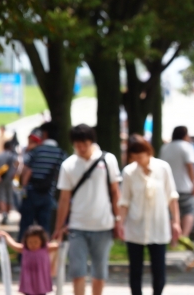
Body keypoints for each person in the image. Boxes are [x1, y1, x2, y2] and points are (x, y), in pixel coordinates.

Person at [53, 124, 122, 295]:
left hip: (103, 224)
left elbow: (115, 192)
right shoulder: (68, 165)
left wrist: (119, 220)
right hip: (77, 225)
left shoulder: (108, 160)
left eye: (84, 144)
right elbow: (64, 199)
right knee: (77, 271)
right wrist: (59, 227)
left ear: (92, 141)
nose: (81, 148)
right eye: (77, 145)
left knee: (100, 271)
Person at [119, 135, 181, 295]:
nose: (138, 160)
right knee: (135, 270)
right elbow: (124, 201)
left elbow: (171, 196)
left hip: (158, 225)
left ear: (148, 152)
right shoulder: (129, 172)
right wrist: (120, 223)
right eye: (134, 157)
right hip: (135, 225)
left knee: (159, 270)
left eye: (140, 156)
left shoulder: (163, 168)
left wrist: (176, 222)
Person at [20, 123, 66, 240]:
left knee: (26, 227)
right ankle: (43, 256)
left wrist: (23, 189)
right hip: (48, 194)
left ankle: (23, 255)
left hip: (31, 193)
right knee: (44, 228)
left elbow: (27, 171)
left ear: (45, 134)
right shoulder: (61, 154)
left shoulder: (36, 151)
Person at [0, 225, 59, 295]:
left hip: (41, 279)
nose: (33, 244)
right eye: (30, 242)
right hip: (28, 279)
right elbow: (13, 245)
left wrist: (62, 235)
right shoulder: (24, 249)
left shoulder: (46, 248)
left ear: (42, 241)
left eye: (35, 242)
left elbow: (59, 245)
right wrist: (6, 236)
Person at [160, 126, 194, 238]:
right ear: (185, 135)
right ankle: (184, 237)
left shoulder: (165, 147)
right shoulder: (186, 147)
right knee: (188, 211)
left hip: (167, 186)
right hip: (184, 186)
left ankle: (173, 239)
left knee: (171, 213)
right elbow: (190, 167)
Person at [0, 140, 18, 225]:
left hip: (0, 178)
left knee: (1, 196)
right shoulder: (13, 156)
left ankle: (4, 214)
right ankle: (7, 215)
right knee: (9, 196)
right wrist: (15, 173)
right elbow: (17, 164)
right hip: (10, 178)